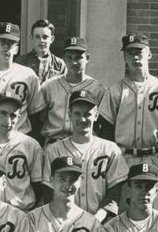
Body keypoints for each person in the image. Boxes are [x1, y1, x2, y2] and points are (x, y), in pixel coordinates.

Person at [42, 89, 127, 222]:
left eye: (87, 114)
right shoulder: (54, 151)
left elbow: (116, 190)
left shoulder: (110, 149)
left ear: (96, 115)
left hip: (101, 222)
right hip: (62, 222)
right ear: (69, 115)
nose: (82, 119)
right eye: (77, 113)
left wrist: (99, 216)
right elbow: (48, 191)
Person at [96, 32, 158, 160]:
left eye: (139, 52)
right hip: (123, 157)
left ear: (149, 54)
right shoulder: (115, 91)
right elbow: (106, 131)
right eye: (130, 53)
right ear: (124, 57)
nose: (135, 57)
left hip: (156, 157)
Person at [37, 36, 106, 144]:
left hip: (84, 145)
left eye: (78, 57)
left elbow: (103, 125)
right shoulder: (49, 86)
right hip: (54, 144)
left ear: (87, 58)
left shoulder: (98, 89)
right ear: (63, 58)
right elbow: (39, 120)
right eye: (69, 57)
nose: (74, 62)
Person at [15, 18, 66, 85]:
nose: (41, 40)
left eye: (45, 37)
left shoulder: (59, 64)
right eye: (37, 37)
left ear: (52, 39)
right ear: (31, 38)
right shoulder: (20, 62)